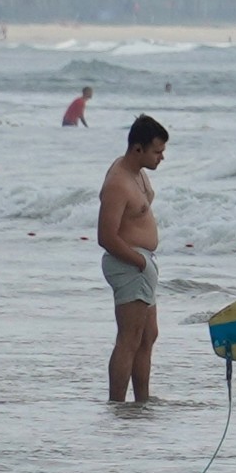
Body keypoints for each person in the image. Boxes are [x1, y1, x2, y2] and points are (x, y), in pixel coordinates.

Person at [96, 114, 169, 403]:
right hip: (129, 264)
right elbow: (106, 236)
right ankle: (117, 403)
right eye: (157, 151)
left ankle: (142, 401)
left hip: (142, 262)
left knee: (148, 335)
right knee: (129, 338)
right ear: (137, 149)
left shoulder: (138, 171)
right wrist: (138, 263)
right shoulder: (117, 182)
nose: (161, 157)